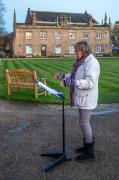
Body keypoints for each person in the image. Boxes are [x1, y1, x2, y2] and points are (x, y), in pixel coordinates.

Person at [55, 41, 100, 161]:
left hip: (87, 97)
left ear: (83, 50)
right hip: (82, 96)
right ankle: (87, 147)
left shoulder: (92, 63)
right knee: (83, 122)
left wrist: (70, 82)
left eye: (77, 51)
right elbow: (76, 75)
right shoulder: (82, 62)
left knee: (84, 123)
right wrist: (63, 76)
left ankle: (90, 153)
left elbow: (90, 83)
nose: (75, 53)